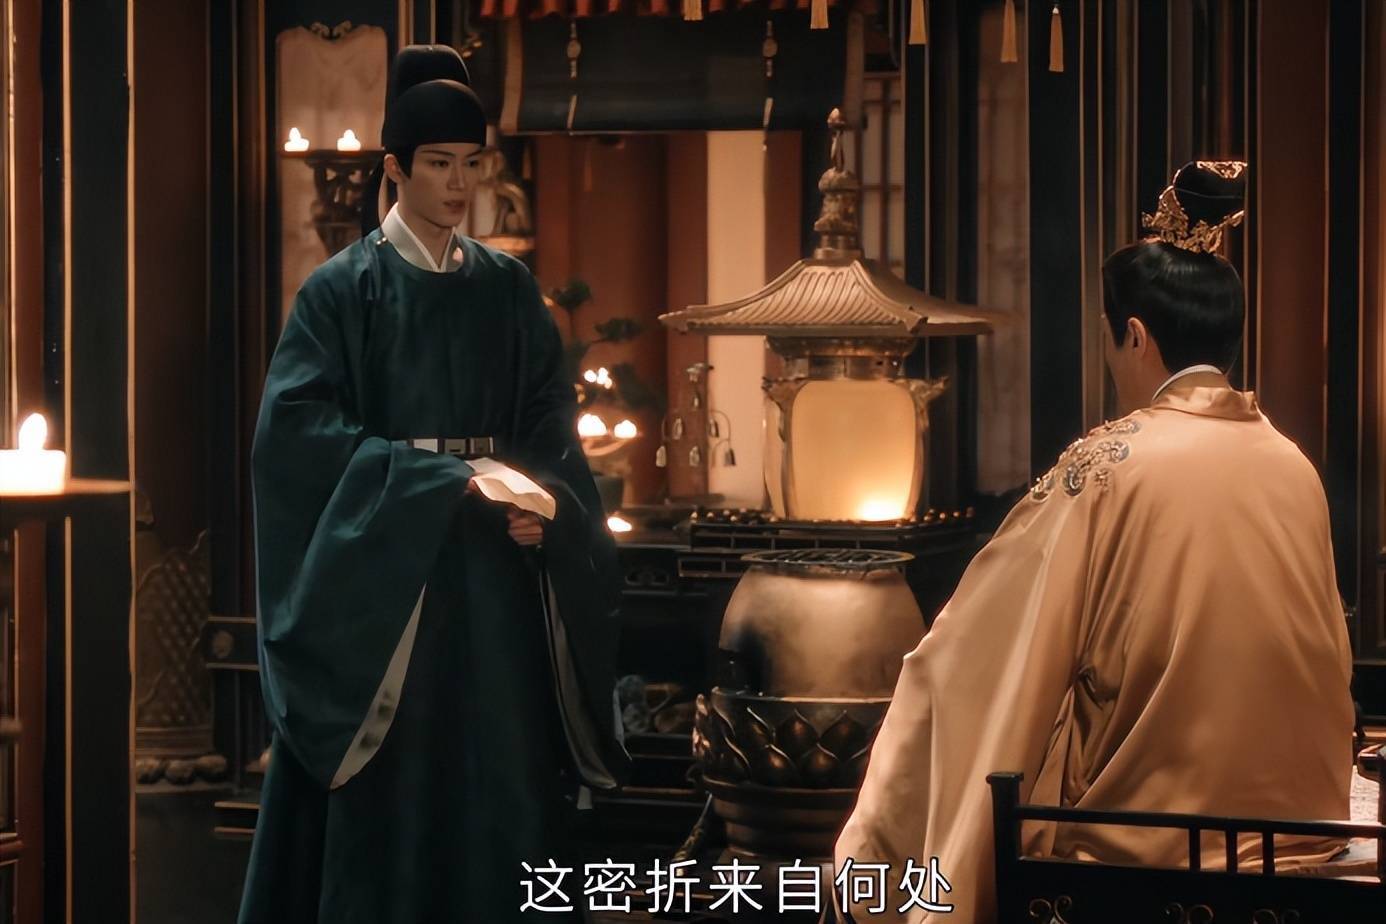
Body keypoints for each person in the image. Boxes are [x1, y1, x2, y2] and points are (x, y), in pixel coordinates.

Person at [833, 161, 1354, 923]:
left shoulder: (1109, 464)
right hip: (1301, 832)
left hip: (1149, 846)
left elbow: (980, 648)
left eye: (1109, 340)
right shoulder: (1290, 462)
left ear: (1133, 335)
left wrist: (916, 714)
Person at [238, 45, 629, 924]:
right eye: (439, 165)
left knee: (499, 772)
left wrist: (546, 508)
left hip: (492, 573)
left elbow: (548, 427)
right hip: (387, 582)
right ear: (395, 169)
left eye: (471, 165)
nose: (459, 185)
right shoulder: (343, 292)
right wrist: (429, 482)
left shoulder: (508, 289)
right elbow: (295, 437)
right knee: (397, 781)